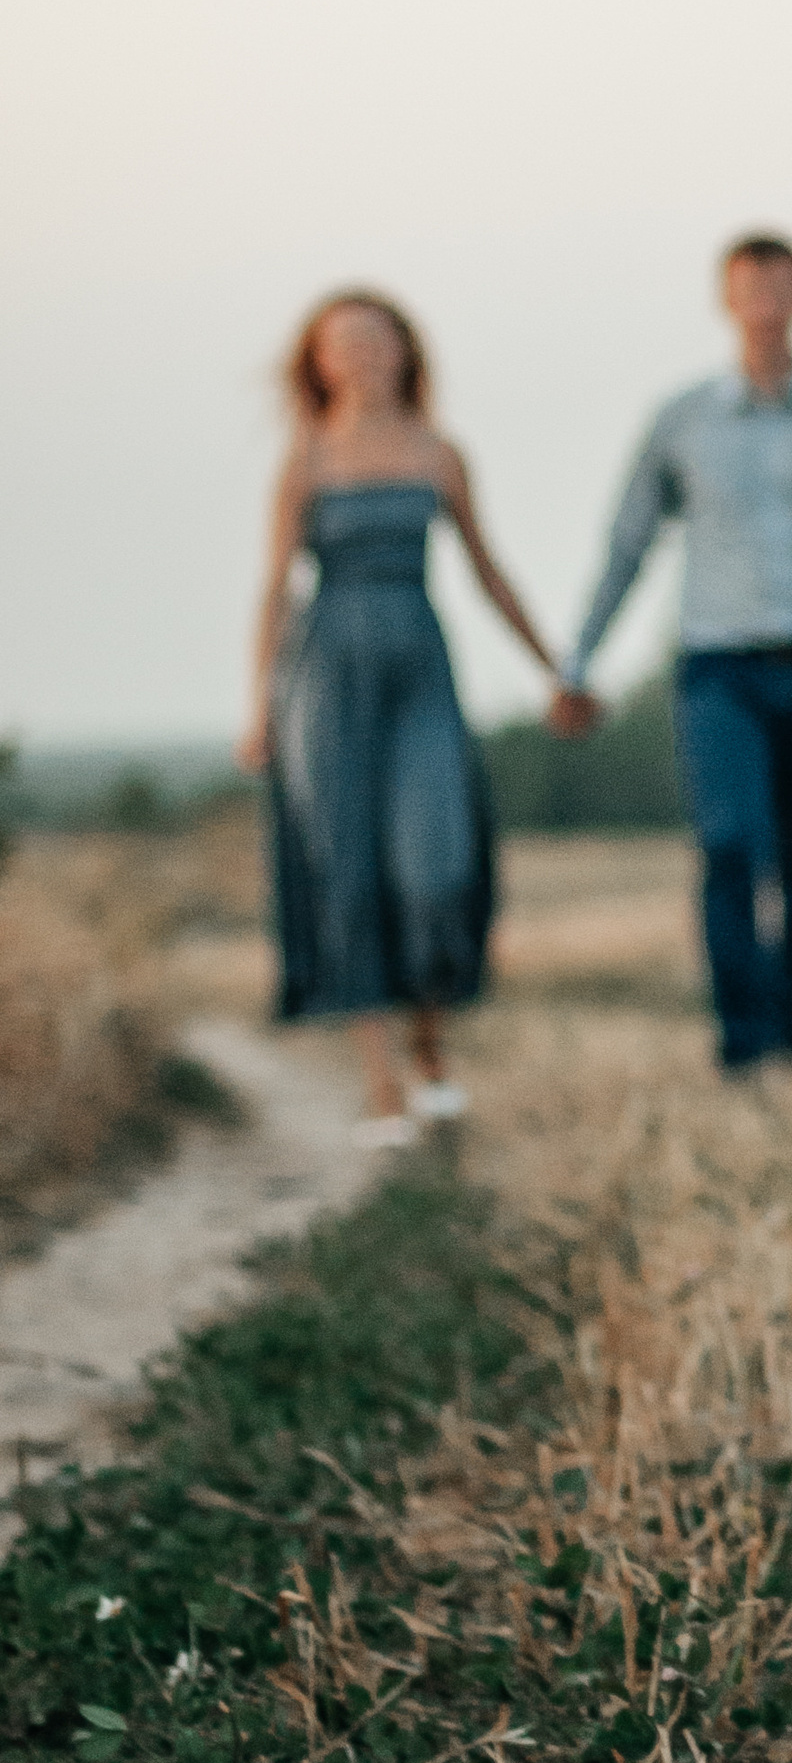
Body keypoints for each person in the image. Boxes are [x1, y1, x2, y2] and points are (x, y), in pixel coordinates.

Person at [550, 231, 792, 1072]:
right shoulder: (681, 420)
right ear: (726, 301)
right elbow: (627, 546)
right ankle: (745, 1047)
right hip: (718, 668)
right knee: (731, 844)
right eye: (749, 288)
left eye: (778, 287)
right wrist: (576, 661)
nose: (764, 304)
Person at [239, 290, 566, 1144]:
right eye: (341, 343)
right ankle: (382, 1086)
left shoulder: (439, 453)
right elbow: (274, 587)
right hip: (328, 674)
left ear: (404, 351)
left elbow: (489, 571)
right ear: (318, 362)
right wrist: (259, 706)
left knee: (435, 857)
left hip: (420, 667)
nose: (361, 355)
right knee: (347, 868)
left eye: (374, 339)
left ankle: (431, 1049)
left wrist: (553, 669)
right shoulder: (306, 459)